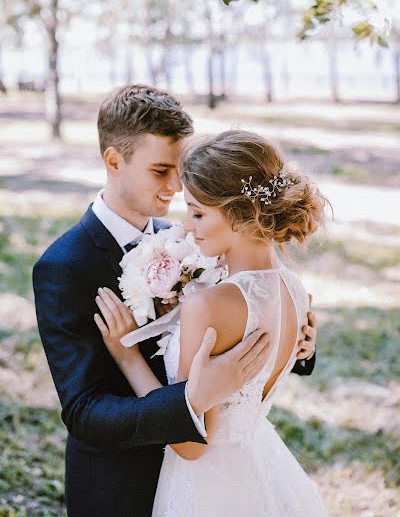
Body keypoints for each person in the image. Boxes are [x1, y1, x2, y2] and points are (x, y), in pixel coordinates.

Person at [33, 85, 316, 517]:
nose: (176, 186)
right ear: (114, 161)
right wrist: (190, 399)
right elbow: (84, 411)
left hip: (204, 480)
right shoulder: (65, 266)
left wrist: (299, 344)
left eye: (180, 170)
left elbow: (245, 316)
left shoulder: (192, 239)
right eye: (161, 170)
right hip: (121, 485)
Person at [94, 128, 327, 516]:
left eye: (198, 213)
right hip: (259, 467)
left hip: (207, 491)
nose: (186, 226)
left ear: (240, 214)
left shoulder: (211, 305)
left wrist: (126, 356)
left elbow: (189, 444)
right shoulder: (295, 290)